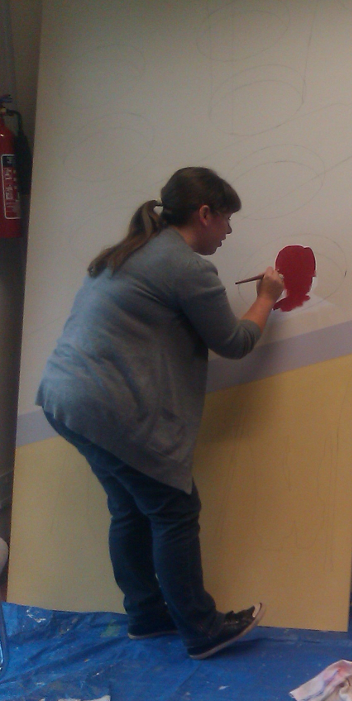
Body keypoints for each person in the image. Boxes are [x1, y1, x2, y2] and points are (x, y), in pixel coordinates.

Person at [36, 167, 285, 660]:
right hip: (104, 408)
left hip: (66, 401)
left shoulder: (132, 251)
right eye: (227, 220)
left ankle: (147, 615)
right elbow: (234, 342)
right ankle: (202, 629)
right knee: (174, 509)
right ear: (205, 214)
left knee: (130, 507)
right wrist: (266, 299)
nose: (230, 232)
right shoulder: (185, 266)